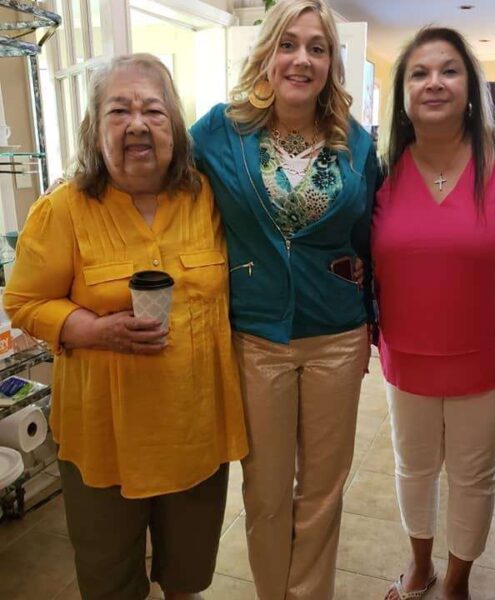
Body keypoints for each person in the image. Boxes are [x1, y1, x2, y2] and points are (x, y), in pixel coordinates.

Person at [3, 54, 248, 600]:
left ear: (174, 127)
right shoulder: (63, 209)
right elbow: (23, 301)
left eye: (153, 111)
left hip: (194, 430)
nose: (137, 124)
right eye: (119, 110)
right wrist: (91, 330)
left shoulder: (207, 198)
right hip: (102, 437)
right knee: (109, 578)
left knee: (188, 576)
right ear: (95, 128)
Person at [371, 27, 495, 600]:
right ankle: (420, 567)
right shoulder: (381, 167)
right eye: (419, 73)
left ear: (470, 87)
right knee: (412, 468)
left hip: (490, 366)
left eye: (449, 70)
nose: (434, 82)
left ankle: (457, 581)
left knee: (473, 476)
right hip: (405, 360)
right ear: (403, 93)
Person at [190, 1, 378, 598]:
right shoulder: (220, 131)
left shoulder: (356, 144)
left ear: (331, 63)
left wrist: (371, 318)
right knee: (266, 492)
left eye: (317, 48)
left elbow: (369, 238)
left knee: (322, 491)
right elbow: (169, 195)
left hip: (337, 336)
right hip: (256, 339)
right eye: (289, 44)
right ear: (267, 54)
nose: (302, 59)